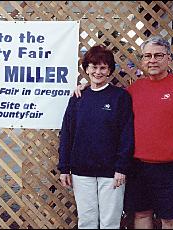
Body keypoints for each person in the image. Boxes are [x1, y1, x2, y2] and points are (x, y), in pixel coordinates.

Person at [74, 36, 173, 229]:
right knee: (141, 215)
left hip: (170, 168)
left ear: (169, 58)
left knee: (169, 220)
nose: (152, 60)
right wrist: (88, 87)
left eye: (158, 55)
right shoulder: (134, 90)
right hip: (137, 166)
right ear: (142, 60)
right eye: (147, 56)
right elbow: (109, 97)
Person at [57, 45, 134, 229]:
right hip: (81, 170)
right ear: (86, 69)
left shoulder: (120, 97)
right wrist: (64, 168)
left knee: (110, 222)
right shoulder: (78, 96)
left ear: (109, 71)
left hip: (111, 172)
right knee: (87, 221)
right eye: (93, 66)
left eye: (103, 67)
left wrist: (121, 167)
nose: (97, 72)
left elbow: (127, 134)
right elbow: (67, 133)